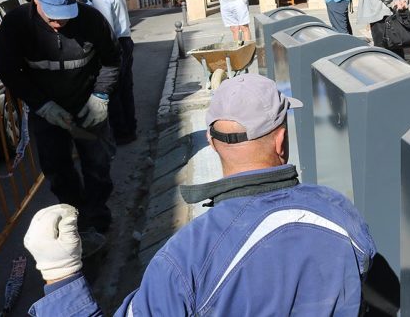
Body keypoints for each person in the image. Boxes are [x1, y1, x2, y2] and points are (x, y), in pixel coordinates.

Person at [24, 73, 377, 316]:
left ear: (211, 142)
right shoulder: (338, 213)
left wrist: (62, 276)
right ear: (281, 140)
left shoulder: (185, 256)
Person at [0, 0, 120, 238]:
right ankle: (76, 218)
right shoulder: (16, 25)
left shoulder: (91, 20)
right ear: (34, 1)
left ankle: (98, 217)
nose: (59, 22)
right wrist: (42, 105)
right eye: (52, 15)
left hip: (87, 107)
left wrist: (101, 96)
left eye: (65, 14)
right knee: (57, 168)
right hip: (47, 113)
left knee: (97, 165)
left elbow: (112, 60)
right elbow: (8, 70)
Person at [80, 0, 137, 145]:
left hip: (116, 44)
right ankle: (130, 128)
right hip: (125, 41)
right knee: (125, 89)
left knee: (114, 91)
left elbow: (106, 28)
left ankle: (122, 133)